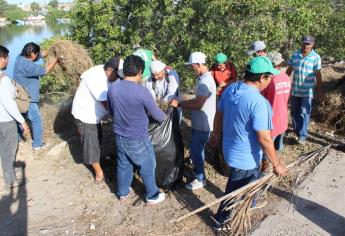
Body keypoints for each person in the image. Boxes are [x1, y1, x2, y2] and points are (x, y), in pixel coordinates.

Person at [209, 56, 288, 230]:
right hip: (246, 158)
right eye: (270, 77)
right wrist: (277, 164)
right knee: (234, 192)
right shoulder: (259, 103)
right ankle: (220, 222)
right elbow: (264, 138)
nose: (270, 81)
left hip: (230, 149)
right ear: (262, 78)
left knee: (248, 186)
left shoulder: (231, 89)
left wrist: (215, 133)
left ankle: (248, 205)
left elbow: (219, 113)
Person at [107, 55, 166, 205]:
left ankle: (123, 193)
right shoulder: (142, 92)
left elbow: (112, 111)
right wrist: (167, 115)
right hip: (137, 136)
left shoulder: (113, 88)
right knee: (148, 164)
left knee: (124, 163)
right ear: (140, 71)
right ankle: (153, 195)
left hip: (119, 134)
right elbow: (158, 116)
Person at [71, 56, 123, 183]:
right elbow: (108, 105)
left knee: (97, 138)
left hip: (95, 116)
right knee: (91, 145)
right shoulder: (97, 79)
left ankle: (97, 161)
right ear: (110, 70)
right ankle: (99, 174)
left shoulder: (107, 71)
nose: (119, 79)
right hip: (85, 115)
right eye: (118, 75)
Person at [170, 52, 216, 190]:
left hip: (202, 124)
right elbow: (197, 100)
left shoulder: (205, 82)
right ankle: (198, 172)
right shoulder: (204, 78)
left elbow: (198, 104)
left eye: (192, 66)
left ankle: (200, 178)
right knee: (198, 150)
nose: (192, 69)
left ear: (199, 64)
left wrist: (180, 104)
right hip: (202, 121)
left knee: (196, 151)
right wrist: (184, 101)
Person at [13, 42, 58, 151]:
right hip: (29, 98)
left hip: (19, 95)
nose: (38, 56)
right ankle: (37, 144)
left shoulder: (20, 57)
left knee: (21, 117)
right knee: (36, 120)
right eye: (37, 54)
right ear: (32, 54)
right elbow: (45, 70)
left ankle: (18, 137)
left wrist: (50, 51)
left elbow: (39, 55)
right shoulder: (28, 66)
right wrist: (56, 59)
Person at [0, 45, 29, 194]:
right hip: (5, 121)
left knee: (4, 150)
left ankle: (9, 176)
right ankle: (10, 181)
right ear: (1, 59)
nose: (7, 60)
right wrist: (21, 121)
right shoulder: (3, 80)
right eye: (6, 57)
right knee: (9, 150)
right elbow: (9, 103)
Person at [286, 36, 322, 144]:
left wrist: (320, 90)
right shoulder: (295, 55)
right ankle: (296, 131)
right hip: (295, 90)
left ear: (312, 44)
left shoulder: (316, 57)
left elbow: (318, 74)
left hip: (308, 92)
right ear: (301, 43)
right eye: (304, 43)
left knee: (304, 112)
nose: (306, 45)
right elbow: (289, 70)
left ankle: (302, 136)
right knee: (294, 112)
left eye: (308, 43)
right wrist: (281, 81)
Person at [262, 52, 291, 151]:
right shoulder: (286, 77)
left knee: (267, 148)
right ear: (280, 64)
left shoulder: (268, 79)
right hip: (283, 118)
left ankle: (267, 163)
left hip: (271, 120)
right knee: (278, 146)